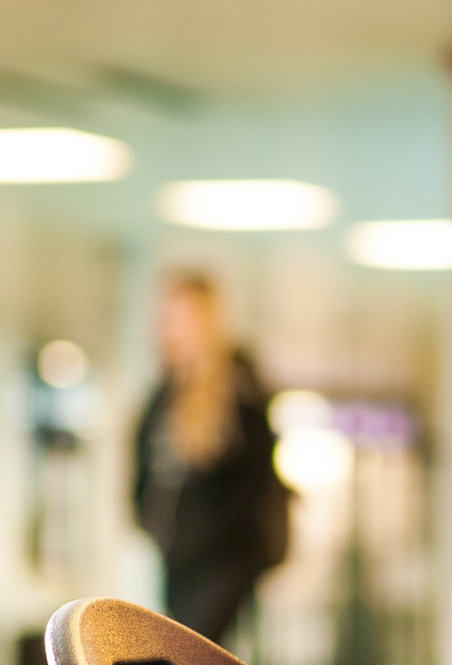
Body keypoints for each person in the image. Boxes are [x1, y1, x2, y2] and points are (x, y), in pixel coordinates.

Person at [132, 273, 290, 644]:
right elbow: (142, 474)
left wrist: (212, 539)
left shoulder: (239, 392)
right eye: (169, 317)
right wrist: (151, 525)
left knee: (199, 646)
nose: (174, 328)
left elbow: (255, 481)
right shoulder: (163, 397)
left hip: (224, 562)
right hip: (177, 560)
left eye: (184, 317)